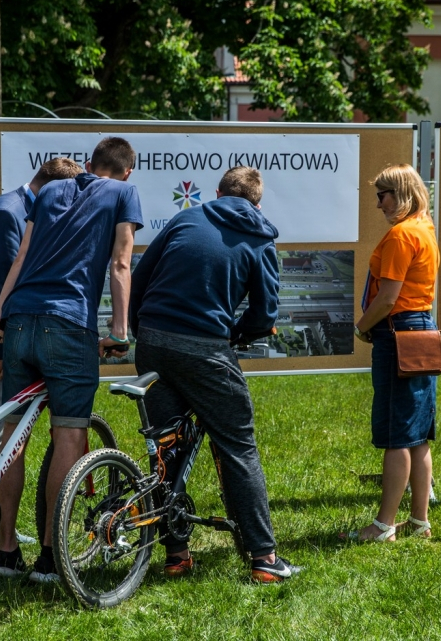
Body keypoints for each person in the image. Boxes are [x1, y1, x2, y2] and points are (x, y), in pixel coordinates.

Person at [129, 165, 301, 583]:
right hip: (206, 348)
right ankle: (264, 559)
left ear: (218, 191)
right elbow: (264, 314)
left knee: (166, 447)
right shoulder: (261, 239)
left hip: (153, 341)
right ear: (257, 203)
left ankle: (176, 555)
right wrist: (237, 334)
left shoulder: (186, 217)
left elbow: (140, 279)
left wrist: (142, 332)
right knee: (238, 445)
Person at [0, 136, 143, 582]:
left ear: (90, 164)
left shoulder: (54, 188)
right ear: (127, 172)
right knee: (70, 438)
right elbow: (120, 264)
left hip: (19, 320)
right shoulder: (125, 193)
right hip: (68, 325)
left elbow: (22, 254)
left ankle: (5, 552)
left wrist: (1, 313)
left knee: (13, 436)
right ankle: (51, 558)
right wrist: (118, 331)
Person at [0, 157, 82, 562]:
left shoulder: (19, 209)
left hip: (6, 343)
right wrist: (3, 350)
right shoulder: (8, 214)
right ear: (52, 188)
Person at [350, 164, 440, 542]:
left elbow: (387, 298)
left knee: (396, 434)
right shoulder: (425, 228)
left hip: (398, 332)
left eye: (382, 195)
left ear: (401, 194)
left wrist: (362, 326)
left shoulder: (402, 235)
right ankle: (419, 524)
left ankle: (383, 525)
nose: (377, 204)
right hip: (421, 330)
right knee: (418, 434)